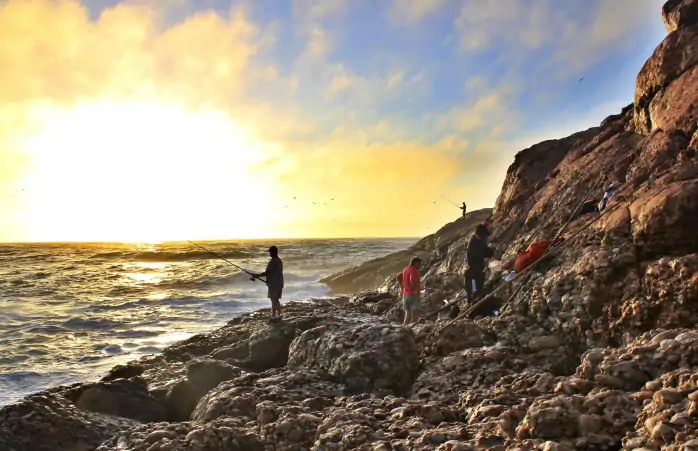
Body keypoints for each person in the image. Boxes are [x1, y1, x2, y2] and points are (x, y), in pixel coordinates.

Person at [252, 246, 284, 322]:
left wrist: (257, 275)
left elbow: (267, 272)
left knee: (273, 299)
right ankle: (279, 315)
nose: (269, 253)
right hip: (279, 283)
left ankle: (273, 316)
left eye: (270, 251)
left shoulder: (273, 261)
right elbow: (274, 273)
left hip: (274, 284)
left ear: (274, 252)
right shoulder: (279, 260)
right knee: (276, 299)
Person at [465, 224, 493, 302]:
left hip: (475, 272)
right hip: (474, 275)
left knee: (476, 293)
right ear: (481, 234)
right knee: (474, 295)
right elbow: (488, 252)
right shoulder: (476, 243)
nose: (485, 238)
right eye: (485, 236)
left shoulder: (474, 241)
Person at [396, 257, 422, 325]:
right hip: (413, 294)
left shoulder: (406, 269)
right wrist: (415, 288)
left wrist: (402, 287)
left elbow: (398, 277)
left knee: (407, 314)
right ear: (415, 263)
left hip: (405, 294)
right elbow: (412, 279)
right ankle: (412, 330)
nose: (420, 266)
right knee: (414, 316)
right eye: (419, 264)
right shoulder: (413, 270)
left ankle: (404, 328)